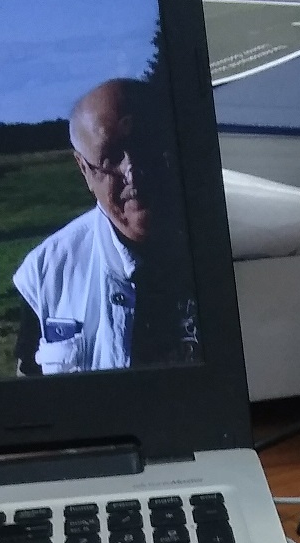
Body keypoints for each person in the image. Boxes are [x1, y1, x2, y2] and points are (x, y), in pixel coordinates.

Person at [12, 77, 197, 376]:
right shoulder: (46, 272)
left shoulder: (222, 241)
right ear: (83, 169)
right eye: (110, 157)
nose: (132, 172)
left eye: (145, 147)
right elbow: (29, 390)